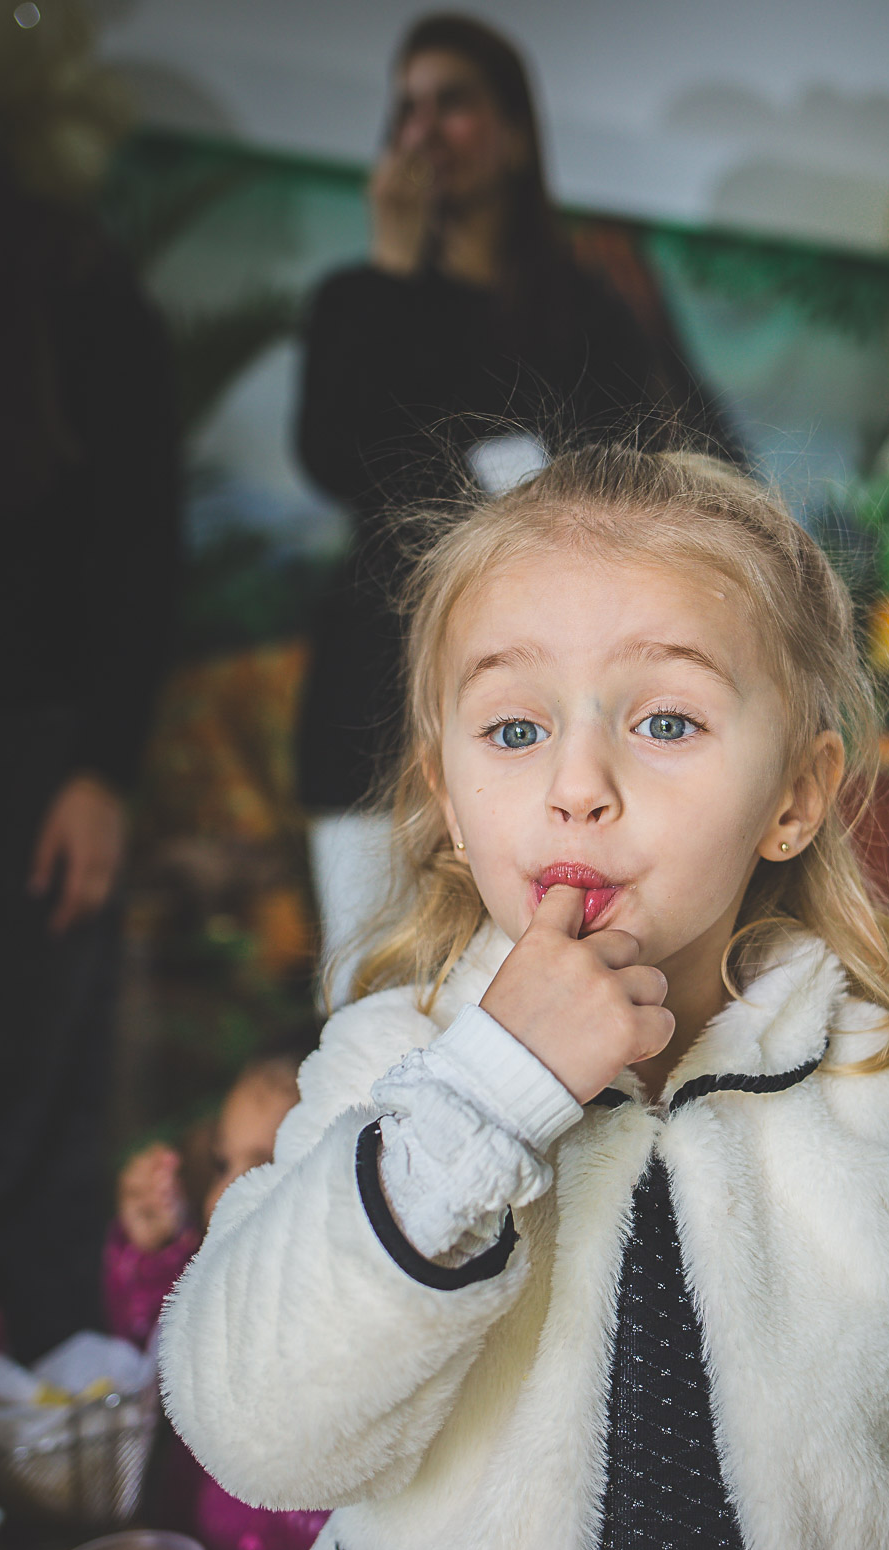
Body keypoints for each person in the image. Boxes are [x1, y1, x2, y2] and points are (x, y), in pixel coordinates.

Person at [160, 444, 889, 1550]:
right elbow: (254, 1427)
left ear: (796, 795)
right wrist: (489, 1097)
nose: (580, 784)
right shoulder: (390, 1076)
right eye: (515, 729)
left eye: (665, 722)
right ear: (449, 803)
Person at [295, 13, 727, 989]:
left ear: (516, 131)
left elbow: (677, 467)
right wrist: (392, 275)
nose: (423, 130)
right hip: (378, 700)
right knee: (374, 1000)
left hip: (558, 714)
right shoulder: (358, 298)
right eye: (405, 108)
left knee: (553, 986)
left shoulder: (586, 305)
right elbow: (337, 458)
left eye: (453, 103)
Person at [0, 51, 179, 1360]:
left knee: (26, 1117)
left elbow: (138, 548)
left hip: (36, 762)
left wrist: (102, 767)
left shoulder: (72, 287)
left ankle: (48, 1450)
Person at [105, 1046, 326, 1550]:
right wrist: (147, 1252)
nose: (225, 1187)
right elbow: (153, 1339)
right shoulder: (208, 1277)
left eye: (263, 1163)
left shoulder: (363, 1324)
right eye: (225, 1161)